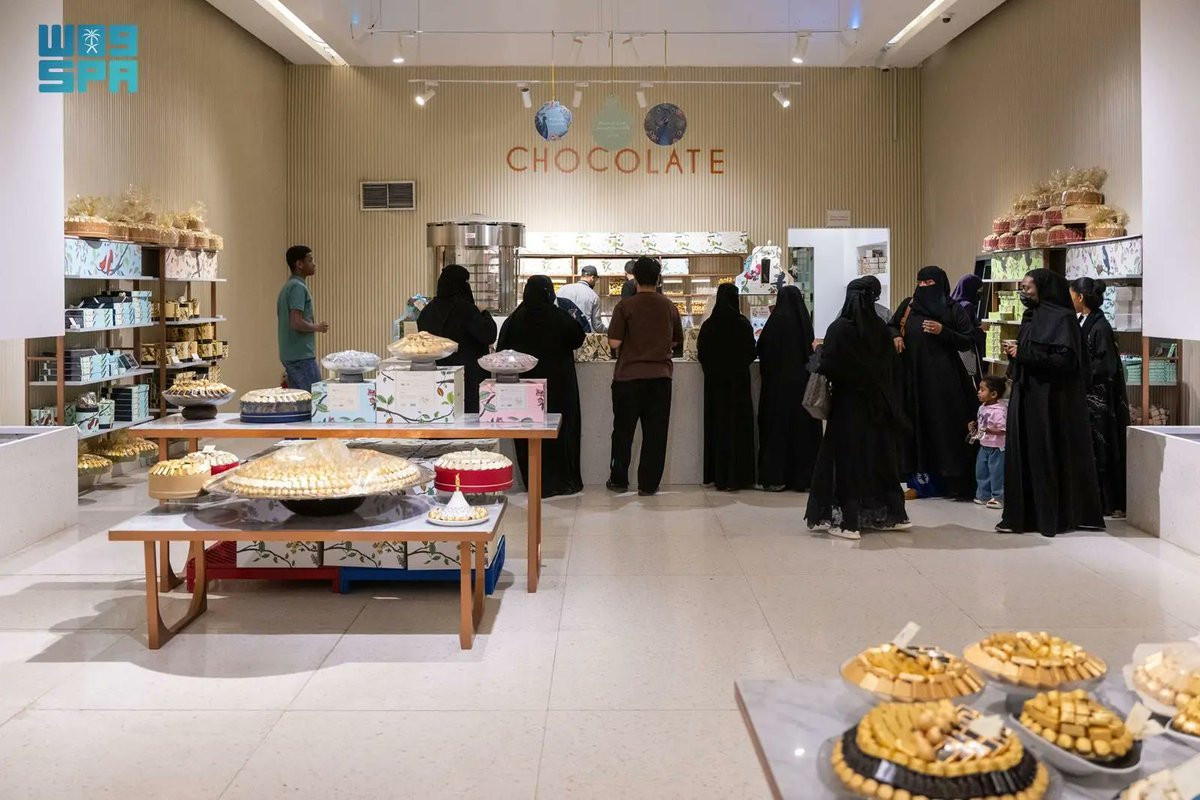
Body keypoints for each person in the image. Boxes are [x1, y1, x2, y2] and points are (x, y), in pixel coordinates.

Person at [998, 269, 1104, 536]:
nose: (1024, 292)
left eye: (1028, 288)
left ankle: (1049, 515)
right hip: (1026, 395)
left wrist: (1025, 354)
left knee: (1045, 451)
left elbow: (1065, 361)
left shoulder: (1063, 320)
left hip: (1050, 401)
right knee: (1024, 453)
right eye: (1022, 287)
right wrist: (1016, 354)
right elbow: (1029, 353)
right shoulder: (1030, 316)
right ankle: (1022, 516)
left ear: (1044, 288)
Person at [806, 278, 911, 539]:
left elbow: (830, 365)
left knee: (848, 459)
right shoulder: (880, 328)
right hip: (879, 405)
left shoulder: (840, 328)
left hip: (848, 406)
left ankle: (849, 521)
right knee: (878, 458)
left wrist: (819, 351)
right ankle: (890, 513)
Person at [889, 266, 978, 500]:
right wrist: (896, 336)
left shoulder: (952, 309)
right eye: (921, 283)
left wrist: (943, 331)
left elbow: (967, 340)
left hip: (944, 382)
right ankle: (919, 484)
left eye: (929, 283)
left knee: (944, 428)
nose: (924, 287)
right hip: (913, 378)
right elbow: (891, 325)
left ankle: (950, 482)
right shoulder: (909, 305)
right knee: (915, 426)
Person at [499, 276, 586, 497]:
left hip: (525, 390)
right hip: (559, 387)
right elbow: (578, 337)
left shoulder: (515, 319)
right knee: (561, 432)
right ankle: (563, 482)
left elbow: (501, 350)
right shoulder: (559, 317)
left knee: (528, 434)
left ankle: (535, 482)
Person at [606, 256, 683, 495]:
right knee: (655, 434)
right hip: (660, 378)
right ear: (658, 278)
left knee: (623, 433)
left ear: (635, 278)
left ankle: (619, 481)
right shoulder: (669, 306)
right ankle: (649, 485)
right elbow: (676, 341)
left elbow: (614, 342)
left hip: (627, 378)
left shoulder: (625, 307)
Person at [1071, 277, 1129, 517]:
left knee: (1103, 449)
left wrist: (1080, 373)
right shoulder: (1085, 321)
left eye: (1072, 294)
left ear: (1080, 297)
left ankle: (1109, 502)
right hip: (1088, 396)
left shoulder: (1100, 327)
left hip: (1099, 399)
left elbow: (1105, 365)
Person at [756, 285, 823, 492]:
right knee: (803, 435)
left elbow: (762, 350)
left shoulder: (775, 322)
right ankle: (803, 479)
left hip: (776, 389)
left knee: (776, 432)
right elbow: (812, 357)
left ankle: (776, 478)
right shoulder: (803, 322)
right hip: (801, 388)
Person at [696, 283, 757, 491]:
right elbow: (751, 353)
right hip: (738, 386)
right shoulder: (743, 324)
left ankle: (718, 476)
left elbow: (702, 354)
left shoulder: (709, 326)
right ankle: (739, 476)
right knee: (738, 429)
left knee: (717, 428)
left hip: (715, 387)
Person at [417, 264, 497, 414]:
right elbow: (488, 335)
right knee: (469, 419)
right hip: (468, 377)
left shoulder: (427, 311)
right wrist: (484, 313)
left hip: (439, 377)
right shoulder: (466, 309)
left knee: (442, 414)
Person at [276, 245, 329, 392]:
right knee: (315, 399)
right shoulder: (297, 287)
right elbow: (296, 322)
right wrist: (317, 327)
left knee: (299, 399)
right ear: (299, 264)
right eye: (310, 260)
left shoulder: (287, 287)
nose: (314, 264)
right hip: (301, 356)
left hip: (291, 355)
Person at [969, 375, 1008, 510]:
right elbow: (981, 424)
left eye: (982, 390)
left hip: (997, 447)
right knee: (981, 471)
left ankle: (998, 497)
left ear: (993, 394)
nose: (979, 392)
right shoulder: (982, 407)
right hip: (984, 445)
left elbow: (1003, 430)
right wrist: (974, 428)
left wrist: (989, 430)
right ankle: (983, 495)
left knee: (996, 473)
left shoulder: (1000, 411)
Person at [951, 273, 986, 384]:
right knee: (973, 380)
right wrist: (981, 329)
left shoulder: (953, 304)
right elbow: (967, 331)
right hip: (969, 350)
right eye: (978, 290)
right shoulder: (967, 306)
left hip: (956, 349)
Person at [557, 264, 605, 333]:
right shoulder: (594, 296)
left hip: (562, 333)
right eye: (596, 279)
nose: (595, 282)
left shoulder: (563, 289)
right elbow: (597, 325)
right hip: (582, 334)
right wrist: (609, 331)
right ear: (592, 277)